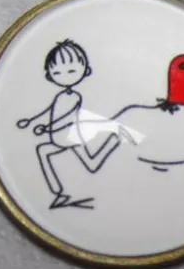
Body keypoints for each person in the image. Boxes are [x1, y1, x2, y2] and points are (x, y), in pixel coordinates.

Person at [16, 39, 128, 209]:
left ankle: (113, 140)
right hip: (59, 137)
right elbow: (49, 110)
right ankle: (58, 193)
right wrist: (31, 120)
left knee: (90, 164)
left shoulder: (75, 97)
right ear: (49, 75)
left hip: (69, 137)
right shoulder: (60, 95)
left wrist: (48, 128)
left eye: (71, 71)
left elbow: (67, 117)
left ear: (85, 70)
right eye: (57, 72)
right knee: (45, 151)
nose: (64, 76)